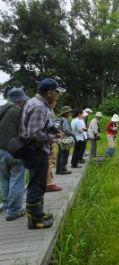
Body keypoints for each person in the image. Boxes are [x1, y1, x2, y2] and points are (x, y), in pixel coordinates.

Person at [21, 78, 65, 229]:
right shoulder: (39, 106)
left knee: (37, 183)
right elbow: (35, 134)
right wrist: (53, 137)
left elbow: (41, 126)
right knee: (37, 185)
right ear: (49, 92)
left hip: (36, 150)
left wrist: (53, 129)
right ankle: (35, 221)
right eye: (56, 92)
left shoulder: (35, 102)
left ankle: (38, 214)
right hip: (37, 151)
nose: (58, 95)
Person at [0, 88, 28, 221]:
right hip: (15, 151)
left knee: (4, 180)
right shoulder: (18, 112)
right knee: (17, 181)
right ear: (20, 101)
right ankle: (14, 211)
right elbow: (25, 131)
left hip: (0, 151)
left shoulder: (1, 109)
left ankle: (6, 206)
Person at [46, 101, 63, 192]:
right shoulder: (47, 111)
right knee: (50, 162)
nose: (55, 103)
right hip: (49, 140)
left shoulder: (51, 111)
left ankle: (49, 182)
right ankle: (49, 184)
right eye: (53, 101)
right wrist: (56, 134)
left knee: (52, 161)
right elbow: (50, 127)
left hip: (51, 140)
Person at [56, 106, 74, 175]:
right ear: (66, 113)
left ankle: (58, 170)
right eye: (69, 112)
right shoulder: (65, 120)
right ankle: (63, 169)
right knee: (65, 154)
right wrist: (73, 134)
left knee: (60, 154)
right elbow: (66, 130)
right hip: (65, 139)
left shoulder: (60, 119)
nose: (70, 113)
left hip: (60, 138)